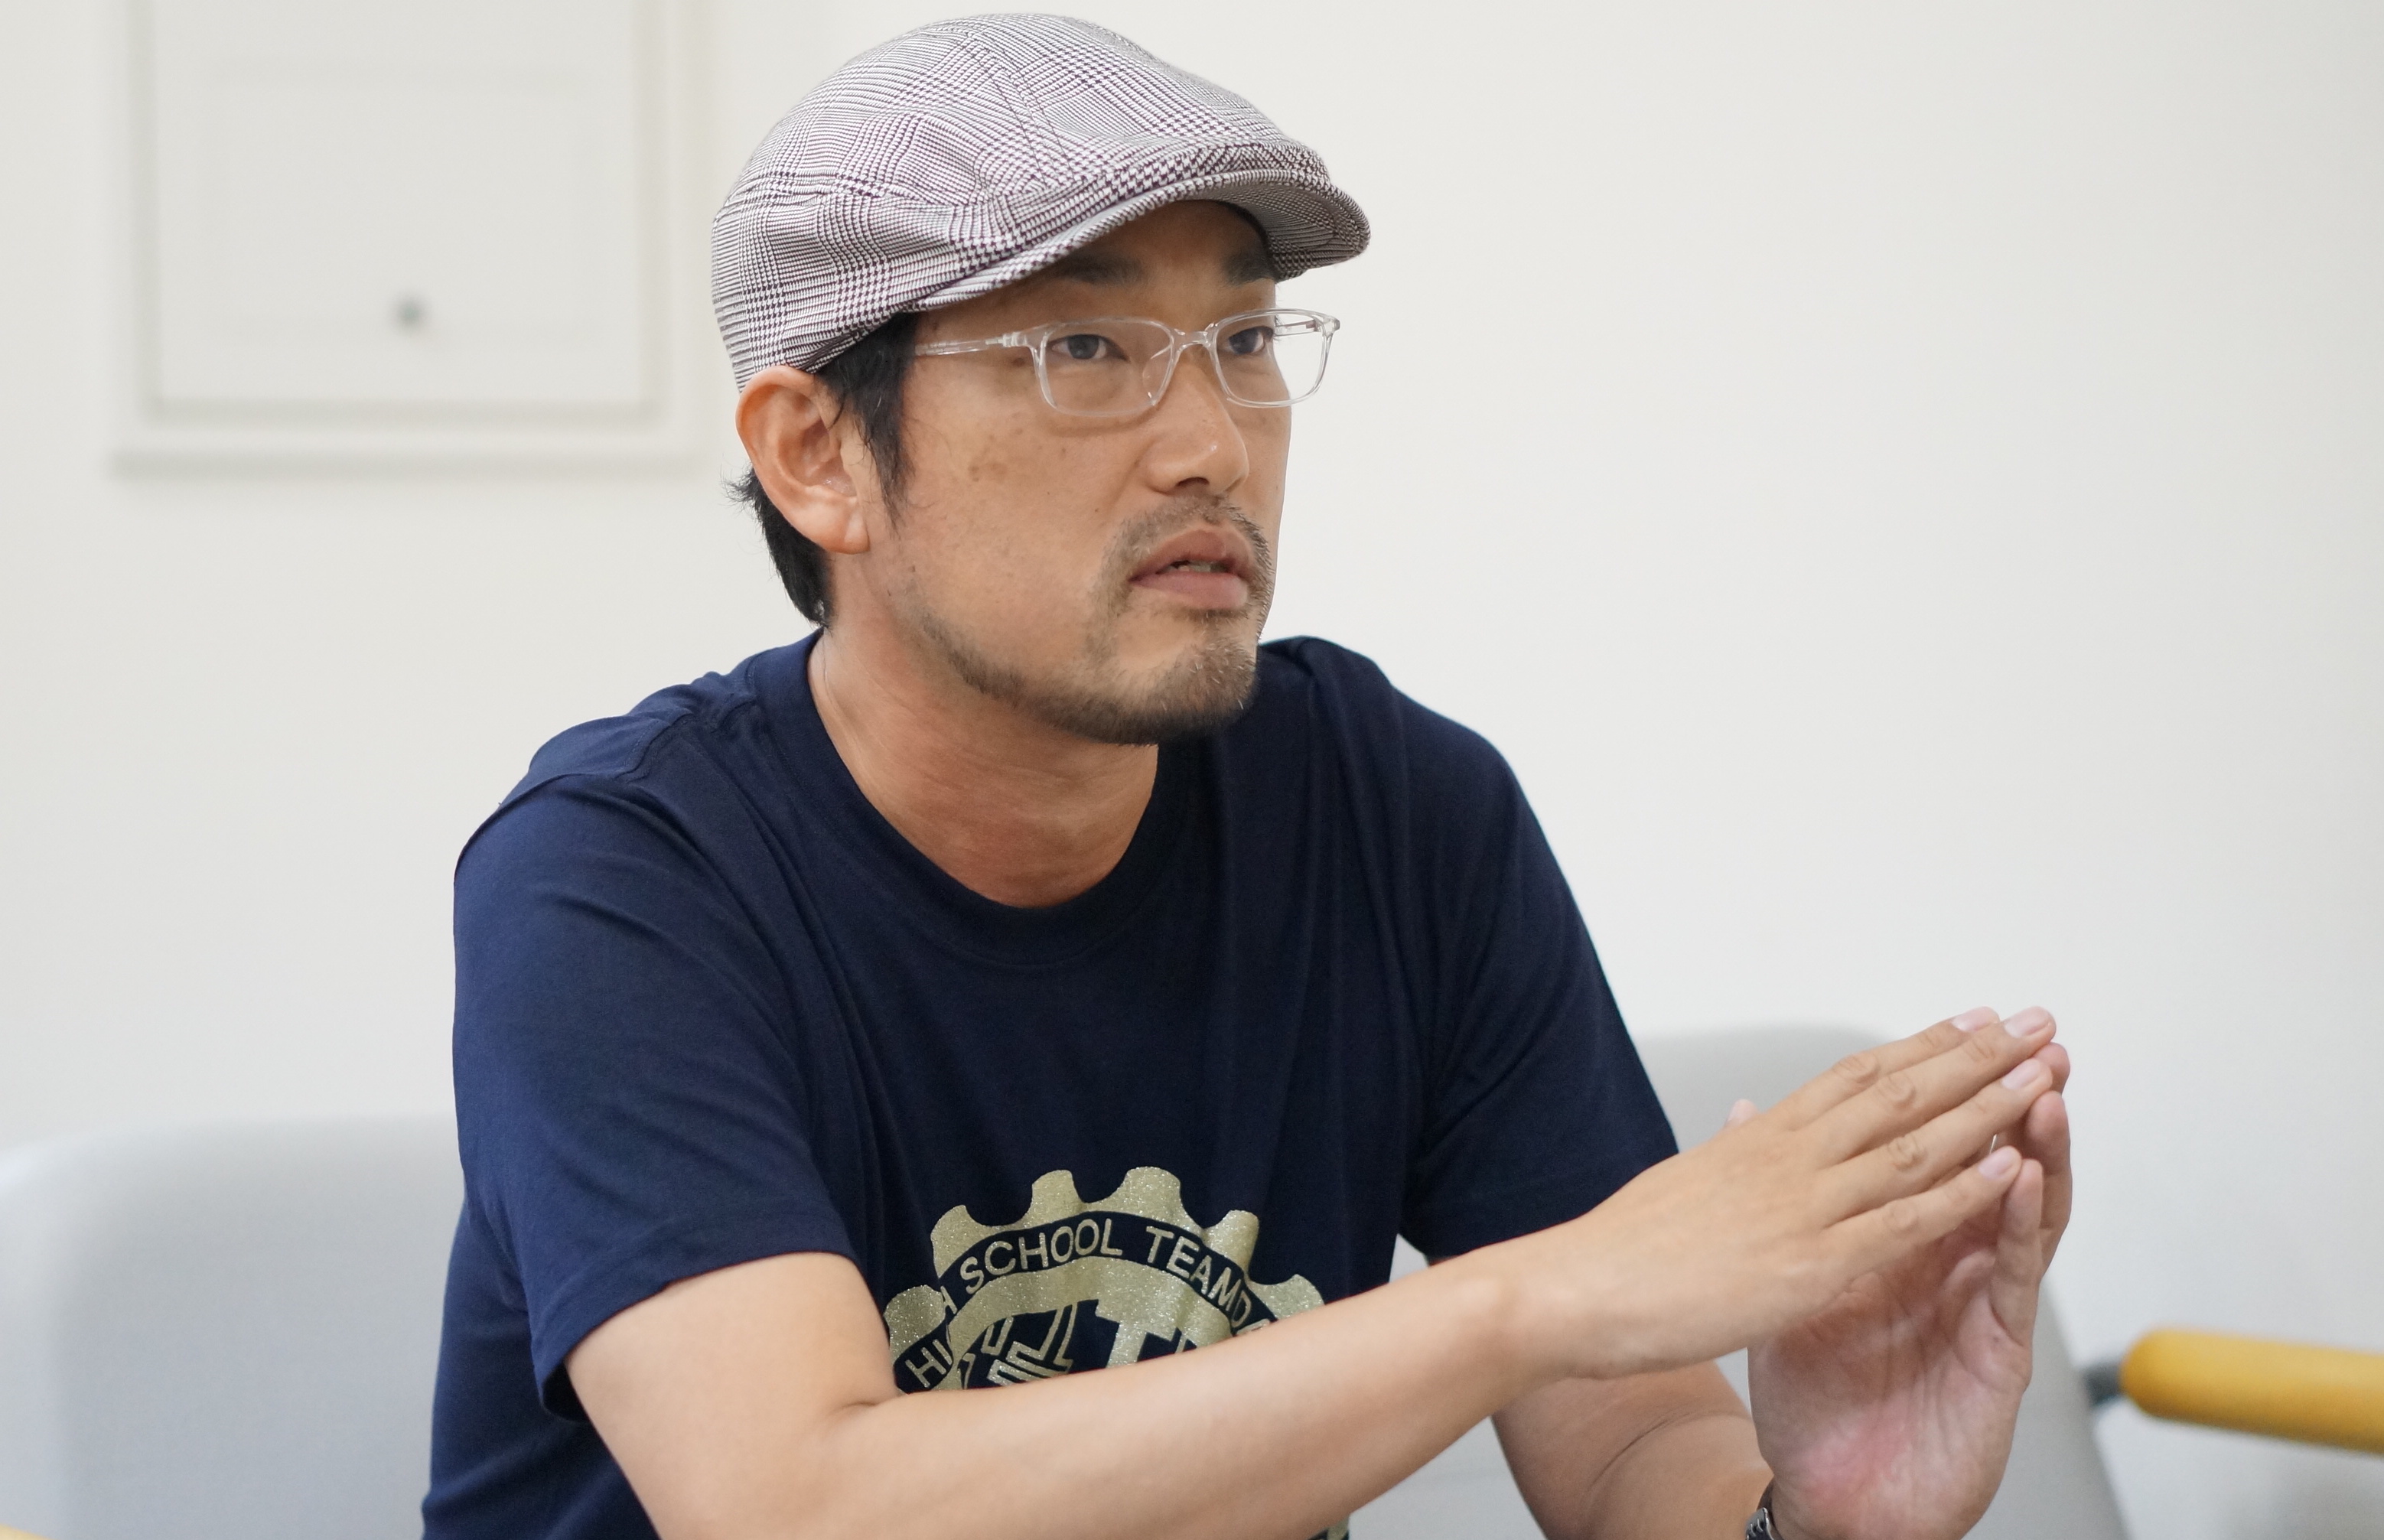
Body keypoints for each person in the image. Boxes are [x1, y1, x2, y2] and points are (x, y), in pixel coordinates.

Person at [422, 16, 2073, 1540]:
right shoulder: (617, 882)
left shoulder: (1396, 812)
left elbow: (1634, 1430)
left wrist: (1818, 1517)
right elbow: (798, 1503)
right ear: (817, 454)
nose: (1213, 442)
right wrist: (1537, 1294)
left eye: (1244, 336)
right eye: (1086, 345)